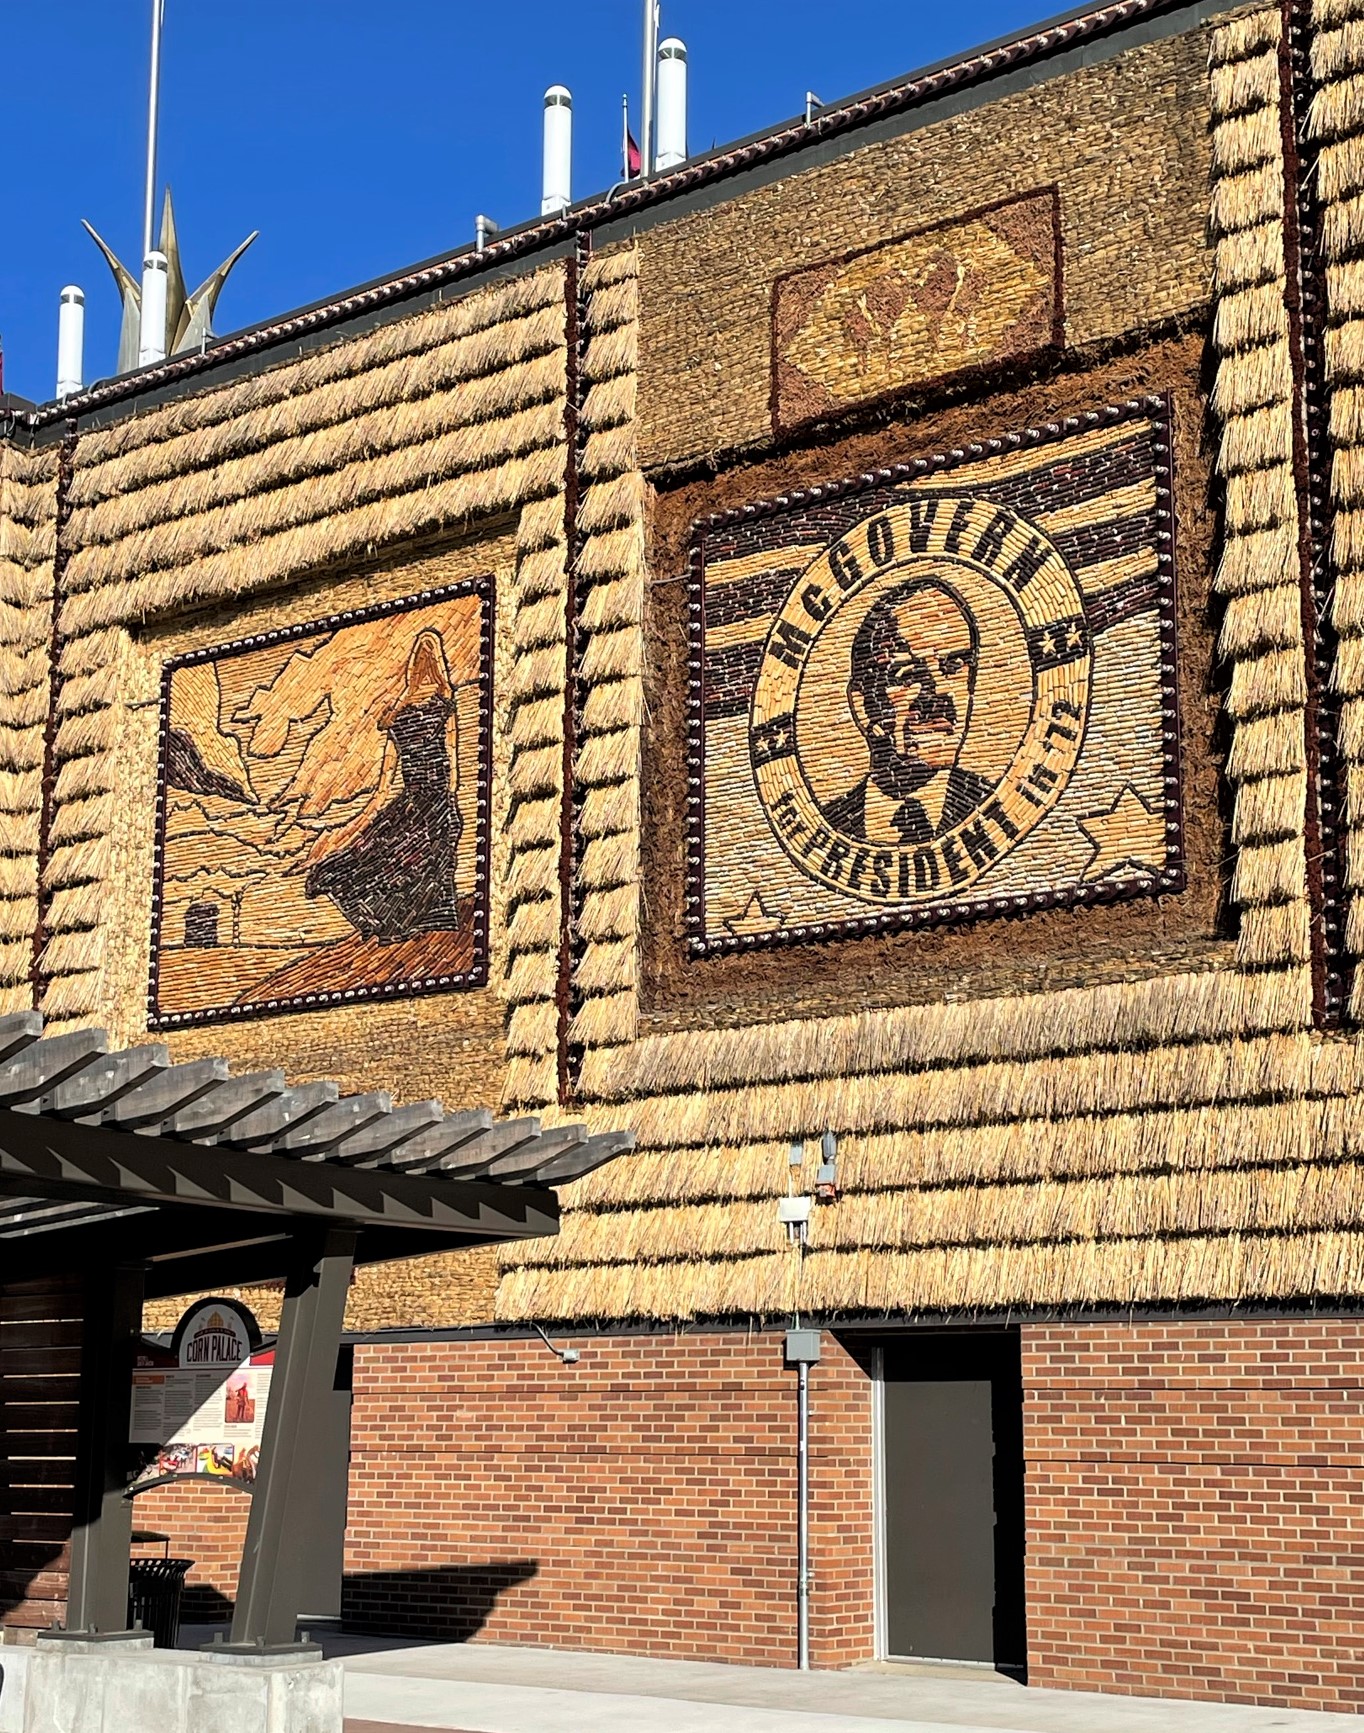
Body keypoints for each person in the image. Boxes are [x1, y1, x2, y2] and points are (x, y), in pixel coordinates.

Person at [821, 577, 993, 845]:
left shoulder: (992, 808)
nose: (938, 692)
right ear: (862, 705)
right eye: (907, 674)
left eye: (954, 666)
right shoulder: (832, 827)